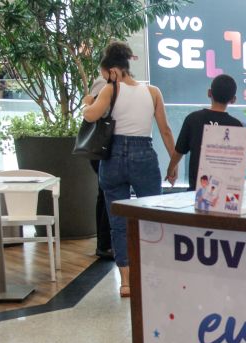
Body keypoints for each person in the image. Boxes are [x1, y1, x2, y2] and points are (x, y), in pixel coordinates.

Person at [82, 41, 175, 297]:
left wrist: (86, 102)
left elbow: (90, 116)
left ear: (111, 70)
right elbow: (165, 130)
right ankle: (153, 275)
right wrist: (174, 162)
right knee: (151, 219)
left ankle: (126, 282)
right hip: (144, 155)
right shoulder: (153, 91)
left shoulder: (110, 90)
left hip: (113, 158)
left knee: (119, 223)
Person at [166, 74, 244, 189]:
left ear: (209, 93)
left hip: (196, 190)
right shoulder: (237, 126)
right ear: (233, 100)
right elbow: (239, 163)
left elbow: (179, 151)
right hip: (224, 192)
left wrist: (170, 170)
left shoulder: (193, 119)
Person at [87, 69, 113, 260]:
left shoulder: (111, 84)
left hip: (105, 146)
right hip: (103, 147)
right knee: (104, 194)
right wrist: (86, 104)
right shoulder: (103, 84)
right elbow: (93, 114)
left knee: (103, 194)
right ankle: (104, 244)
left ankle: (105, 243)